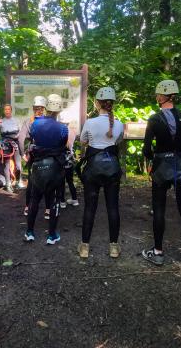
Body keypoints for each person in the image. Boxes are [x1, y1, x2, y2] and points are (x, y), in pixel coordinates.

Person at [141, 80, 181, 266]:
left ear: (163, 96)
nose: (156, 96)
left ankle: (158, 252)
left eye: (157, 94)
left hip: (161, 168)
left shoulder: (154, 118)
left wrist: (155, 158)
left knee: (159, 209)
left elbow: (146, 149)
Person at [77, 87, 124, 259]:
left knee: (90, 208)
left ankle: (84, 247)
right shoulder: (119, 124)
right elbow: (118, 141)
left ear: (97, 103)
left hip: (93, 169)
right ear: (112, 104)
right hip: (112, 169)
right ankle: (113, 247)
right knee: (113, 207)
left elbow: (83, 141)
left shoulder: (90, 123)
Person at [25, 94, 68, 245]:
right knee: (54, 200)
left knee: (34, 199)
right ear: (59, 110)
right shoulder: (63, 128)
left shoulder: (36, 124)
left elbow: (33, 138)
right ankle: (51, 235)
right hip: (55, 167)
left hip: (38, 165)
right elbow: (63, 145)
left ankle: (29, 232)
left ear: (47, 108)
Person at [18, 96, 50, 217]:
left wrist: (22, 154)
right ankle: (47, 210)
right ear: (44, 109)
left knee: (31, 182)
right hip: (47, 155)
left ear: (33, 108)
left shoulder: (29, 121)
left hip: (34, 155)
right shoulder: (48, 121)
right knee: (48, 182)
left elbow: (21, 139)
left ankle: (27, 207)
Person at [0, 104, 22, 192]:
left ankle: (18, 182)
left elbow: (21, 132)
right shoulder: (1, 121)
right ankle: (8, 184)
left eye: (8, 109)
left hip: (15, 142)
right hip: (5, 143)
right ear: (4, 111)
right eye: (5, 109)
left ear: (11, 110)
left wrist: (18, 136)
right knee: (6, 164)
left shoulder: (16, 120)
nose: (7, 111)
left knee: (18, 164)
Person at [58, 112, 79, 208]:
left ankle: (62, 202)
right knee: (70, 180)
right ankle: (74, 199)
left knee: (61, 181)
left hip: (61, 158)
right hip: (69, 158)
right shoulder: (72, 131)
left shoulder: (60, 130)